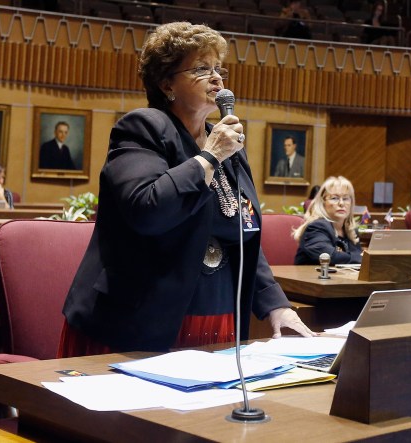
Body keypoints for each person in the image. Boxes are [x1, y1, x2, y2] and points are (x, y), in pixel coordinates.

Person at [59, 22, 315, 356]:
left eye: (218, 68)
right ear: (167, 84)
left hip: (215, 319)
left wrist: (275, 305)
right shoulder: (145, 129)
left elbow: (243, 231)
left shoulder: (227, 145)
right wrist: (209, 156)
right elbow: (147, 209)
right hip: (136, 323)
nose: (217, 78)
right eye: (201, 68)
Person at [293, 176, 362, 265]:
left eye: (345, 198)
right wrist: (362, 259)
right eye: (334, 198)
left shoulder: (351, 230)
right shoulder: (316, 227)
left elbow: (356, 258)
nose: (341, 203)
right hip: (311, 277)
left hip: (343, 277)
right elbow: (329, 257)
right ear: (322, 202)